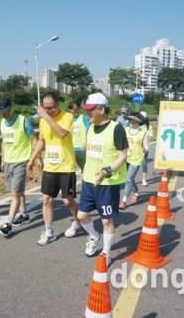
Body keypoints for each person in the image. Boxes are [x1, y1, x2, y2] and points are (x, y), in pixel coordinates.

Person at [77, 92, 128, 266]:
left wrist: (106, 171)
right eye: (86, 110)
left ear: (101, 109)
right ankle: (94, 236)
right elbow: (86, 148)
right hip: (89, 181)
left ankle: (106, 253)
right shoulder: (90, 127)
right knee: (82, 215)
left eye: (90, 110)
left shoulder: (116, 129)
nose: (87, 113)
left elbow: (122, 156)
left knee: (107, 220)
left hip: (107, 183)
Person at [26, 92, 80, 245]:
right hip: (50, 166)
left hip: (66, 166)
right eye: (46, 108)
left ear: (58, 105)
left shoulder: (67, 117)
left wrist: (46, 117)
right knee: (46, 200)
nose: (49, 111)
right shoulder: (43, 121)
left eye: (52, 107)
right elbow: (41, 141)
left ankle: (77, 221)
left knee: (67, 200)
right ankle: (49, 231)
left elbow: (62, 133)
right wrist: (32, 159)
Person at [0, 97, 37, 237]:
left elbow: (34, 140)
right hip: (8, 162)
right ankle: (24, 215)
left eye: (6, 111)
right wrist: (2, 159)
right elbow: (4, 142)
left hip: (21, 161)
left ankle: (8, 224)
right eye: (2, 112)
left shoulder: (23, 121)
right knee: (18, 192)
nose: (5, 114)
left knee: (14, 194)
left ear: (11, 107)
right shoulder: (2, 123)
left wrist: (35, 159)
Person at [120, 112, 147, 210]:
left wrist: (144, 148)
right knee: (129, 179)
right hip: (125, 157)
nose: (132, 121)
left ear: (139, 122)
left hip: (136, 159)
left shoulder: (143, 132)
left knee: (128, 179)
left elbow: (146, 147)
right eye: (131, 119)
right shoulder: (126, 130)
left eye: (134, 120)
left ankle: (123, 200)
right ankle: (137, 193)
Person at [68, 100, 90, 171]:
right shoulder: (68, 119)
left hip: (82, 149)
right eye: (74, 109)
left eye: (77, 109)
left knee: (86, 169)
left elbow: (90, 130)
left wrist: (87, 142)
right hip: (71, 149)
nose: (76, 111)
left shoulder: (83, 118)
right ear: (70, 109)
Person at [140, 111, 153, 186]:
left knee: (144, 164)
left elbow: (150, 137)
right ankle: (129, 179)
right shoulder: (136, 125)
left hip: (145, 149)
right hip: (135, 148)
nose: (142, 119)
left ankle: (144, 179)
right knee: (133, 165)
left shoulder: (149, 127)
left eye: (144, 118)